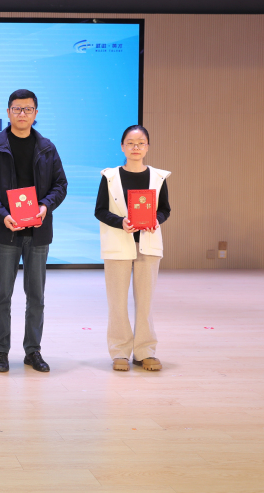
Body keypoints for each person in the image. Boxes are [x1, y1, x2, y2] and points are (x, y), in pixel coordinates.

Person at [0, 89, 67, 373]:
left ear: (36, 113)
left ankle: (33, 351)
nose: (22, 114)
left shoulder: (47, 148)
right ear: (8, 112)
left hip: (38, 231)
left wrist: (45, 206)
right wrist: (3, 215)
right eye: (17, 109)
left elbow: (60, 185)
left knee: (36, 296)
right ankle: (1, 351)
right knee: (2, 295)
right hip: (6, 231)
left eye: (28, 109)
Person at [94, 124, 170, 371]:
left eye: (140, 143)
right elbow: (100, 211)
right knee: (117, 302)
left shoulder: (158, 177)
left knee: (146, 302)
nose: (135, 147)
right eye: (130, 143)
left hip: (148, 245)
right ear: (122, 147)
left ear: (147, 147)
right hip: (118, 245)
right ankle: (119, 352)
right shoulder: (110, 177)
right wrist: (121, 222)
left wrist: (156, 220)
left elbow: (164, 209)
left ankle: (145, 351)